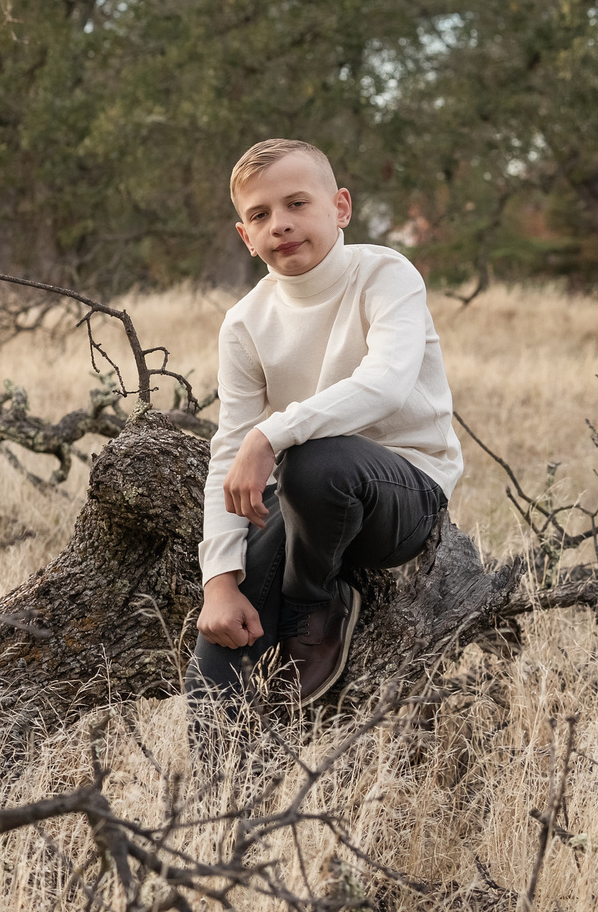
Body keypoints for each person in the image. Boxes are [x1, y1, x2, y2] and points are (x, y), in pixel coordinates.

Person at [192, 139, 461, 710]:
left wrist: (272, 434)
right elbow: (228, 452)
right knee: (221, 635)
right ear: (245, 236)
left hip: (403, 495)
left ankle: (315, 601)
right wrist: (219, 578)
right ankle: (218, 784)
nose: (280, 225)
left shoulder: (385, 274)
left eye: (296, 204)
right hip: (301, 506)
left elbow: (385, 383)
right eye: (260, 215)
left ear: (340, 207)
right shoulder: (244, 322)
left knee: (317, 459)